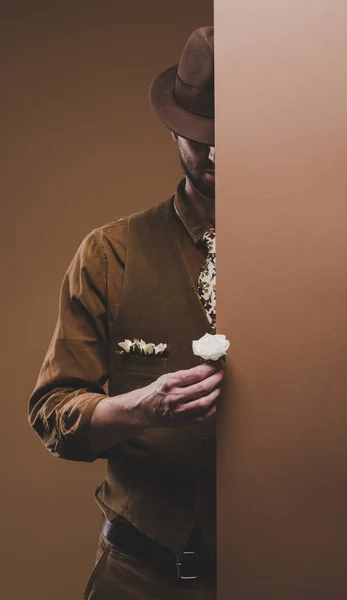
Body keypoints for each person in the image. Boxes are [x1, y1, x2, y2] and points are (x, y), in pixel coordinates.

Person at [28, 26, 224, 600]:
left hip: (283, 564)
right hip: (139, 572)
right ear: (172, 128)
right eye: (198, 135)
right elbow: (52, 411)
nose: (212, 152)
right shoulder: (109, 253)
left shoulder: (309, 259)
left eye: (231, 135)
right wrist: (139, 407)